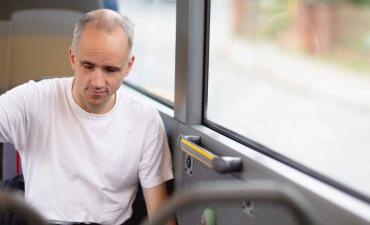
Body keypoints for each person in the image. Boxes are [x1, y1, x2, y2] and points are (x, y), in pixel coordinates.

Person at [0, 9, 176, 225]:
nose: (97, 82)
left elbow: (160, 214)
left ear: (128, 67)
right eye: (88, 66)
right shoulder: (33, 100)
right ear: (73, 58)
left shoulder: (145, 120)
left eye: (110, 70)